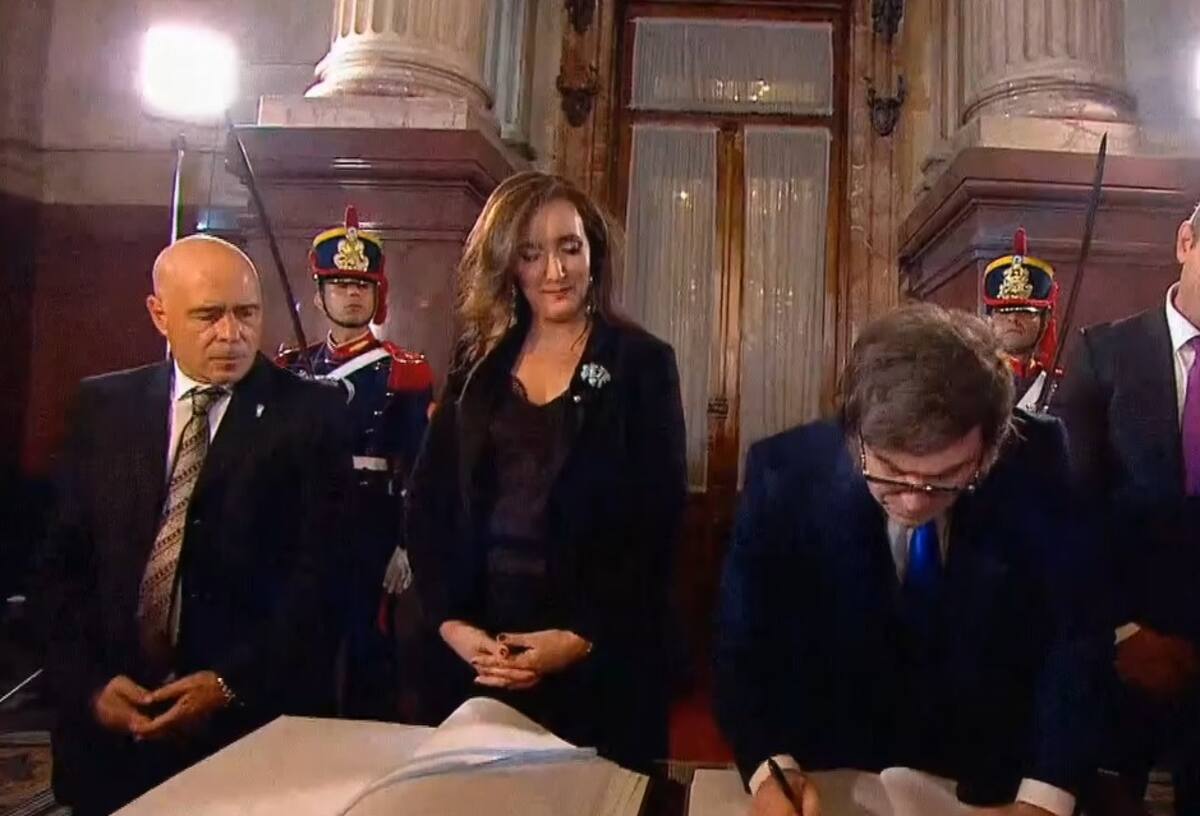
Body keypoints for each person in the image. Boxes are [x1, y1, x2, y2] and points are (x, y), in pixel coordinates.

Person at [713, 303, 1108, 816]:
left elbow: (1075, 640)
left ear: (991, 444)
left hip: (990, 782)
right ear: (855, 436)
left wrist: (1042, 800)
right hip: (835, 776)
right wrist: (773, 769)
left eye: (945, 476)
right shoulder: (785, 475)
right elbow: (740, 646)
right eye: (891, 473)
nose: (915, 500)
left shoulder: (1037, 460)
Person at [39, 235, 351, 816]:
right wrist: (89, 686)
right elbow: (62, 571)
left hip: (246, 733)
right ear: (160, 314)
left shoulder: (313, 416)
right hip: (109, 743)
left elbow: (323, 583)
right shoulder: (103, 407)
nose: (231, 335)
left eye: (246, 314)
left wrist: (230, 683)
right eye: (208, 316)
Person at [405, 170, 687, 771]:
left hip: (595, 658)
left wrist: (581, 637)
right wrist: (451, 623)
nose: (555, 272)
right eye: (532, 253)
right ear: (509, 264)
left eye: (569, 247)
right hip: (479, 657)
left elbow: (657, 524)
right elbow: (429, 508)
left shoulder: (641, 365)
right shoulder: (476, 368)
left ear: (593, 253)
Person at [1054, 200, 1200, 815]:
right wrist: (1120, 631)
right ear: (1186, 241)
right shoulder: (1103, 354)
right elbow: (1066, 509)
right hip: (1125, 659)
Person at [276, 206, 433, 720]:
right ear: (319, 295)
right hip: (304, 523)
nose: (350, 294)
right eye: (339, 284)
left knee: (370, 653)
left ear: (377, 295)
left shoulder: (403, 372)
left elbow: (420, 465)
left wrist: (405, 544)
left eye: (361, 286)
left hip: (372, 523)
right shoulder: (291, 369)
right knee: (303, 648)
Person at [983, 228, 1061, 411]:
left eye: (1025, 311)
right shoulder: (973, 382)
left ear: (1046, 319)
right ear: (989, 319)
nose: (1013, 318)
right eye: (1003, 311)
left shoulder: (1059, 387)